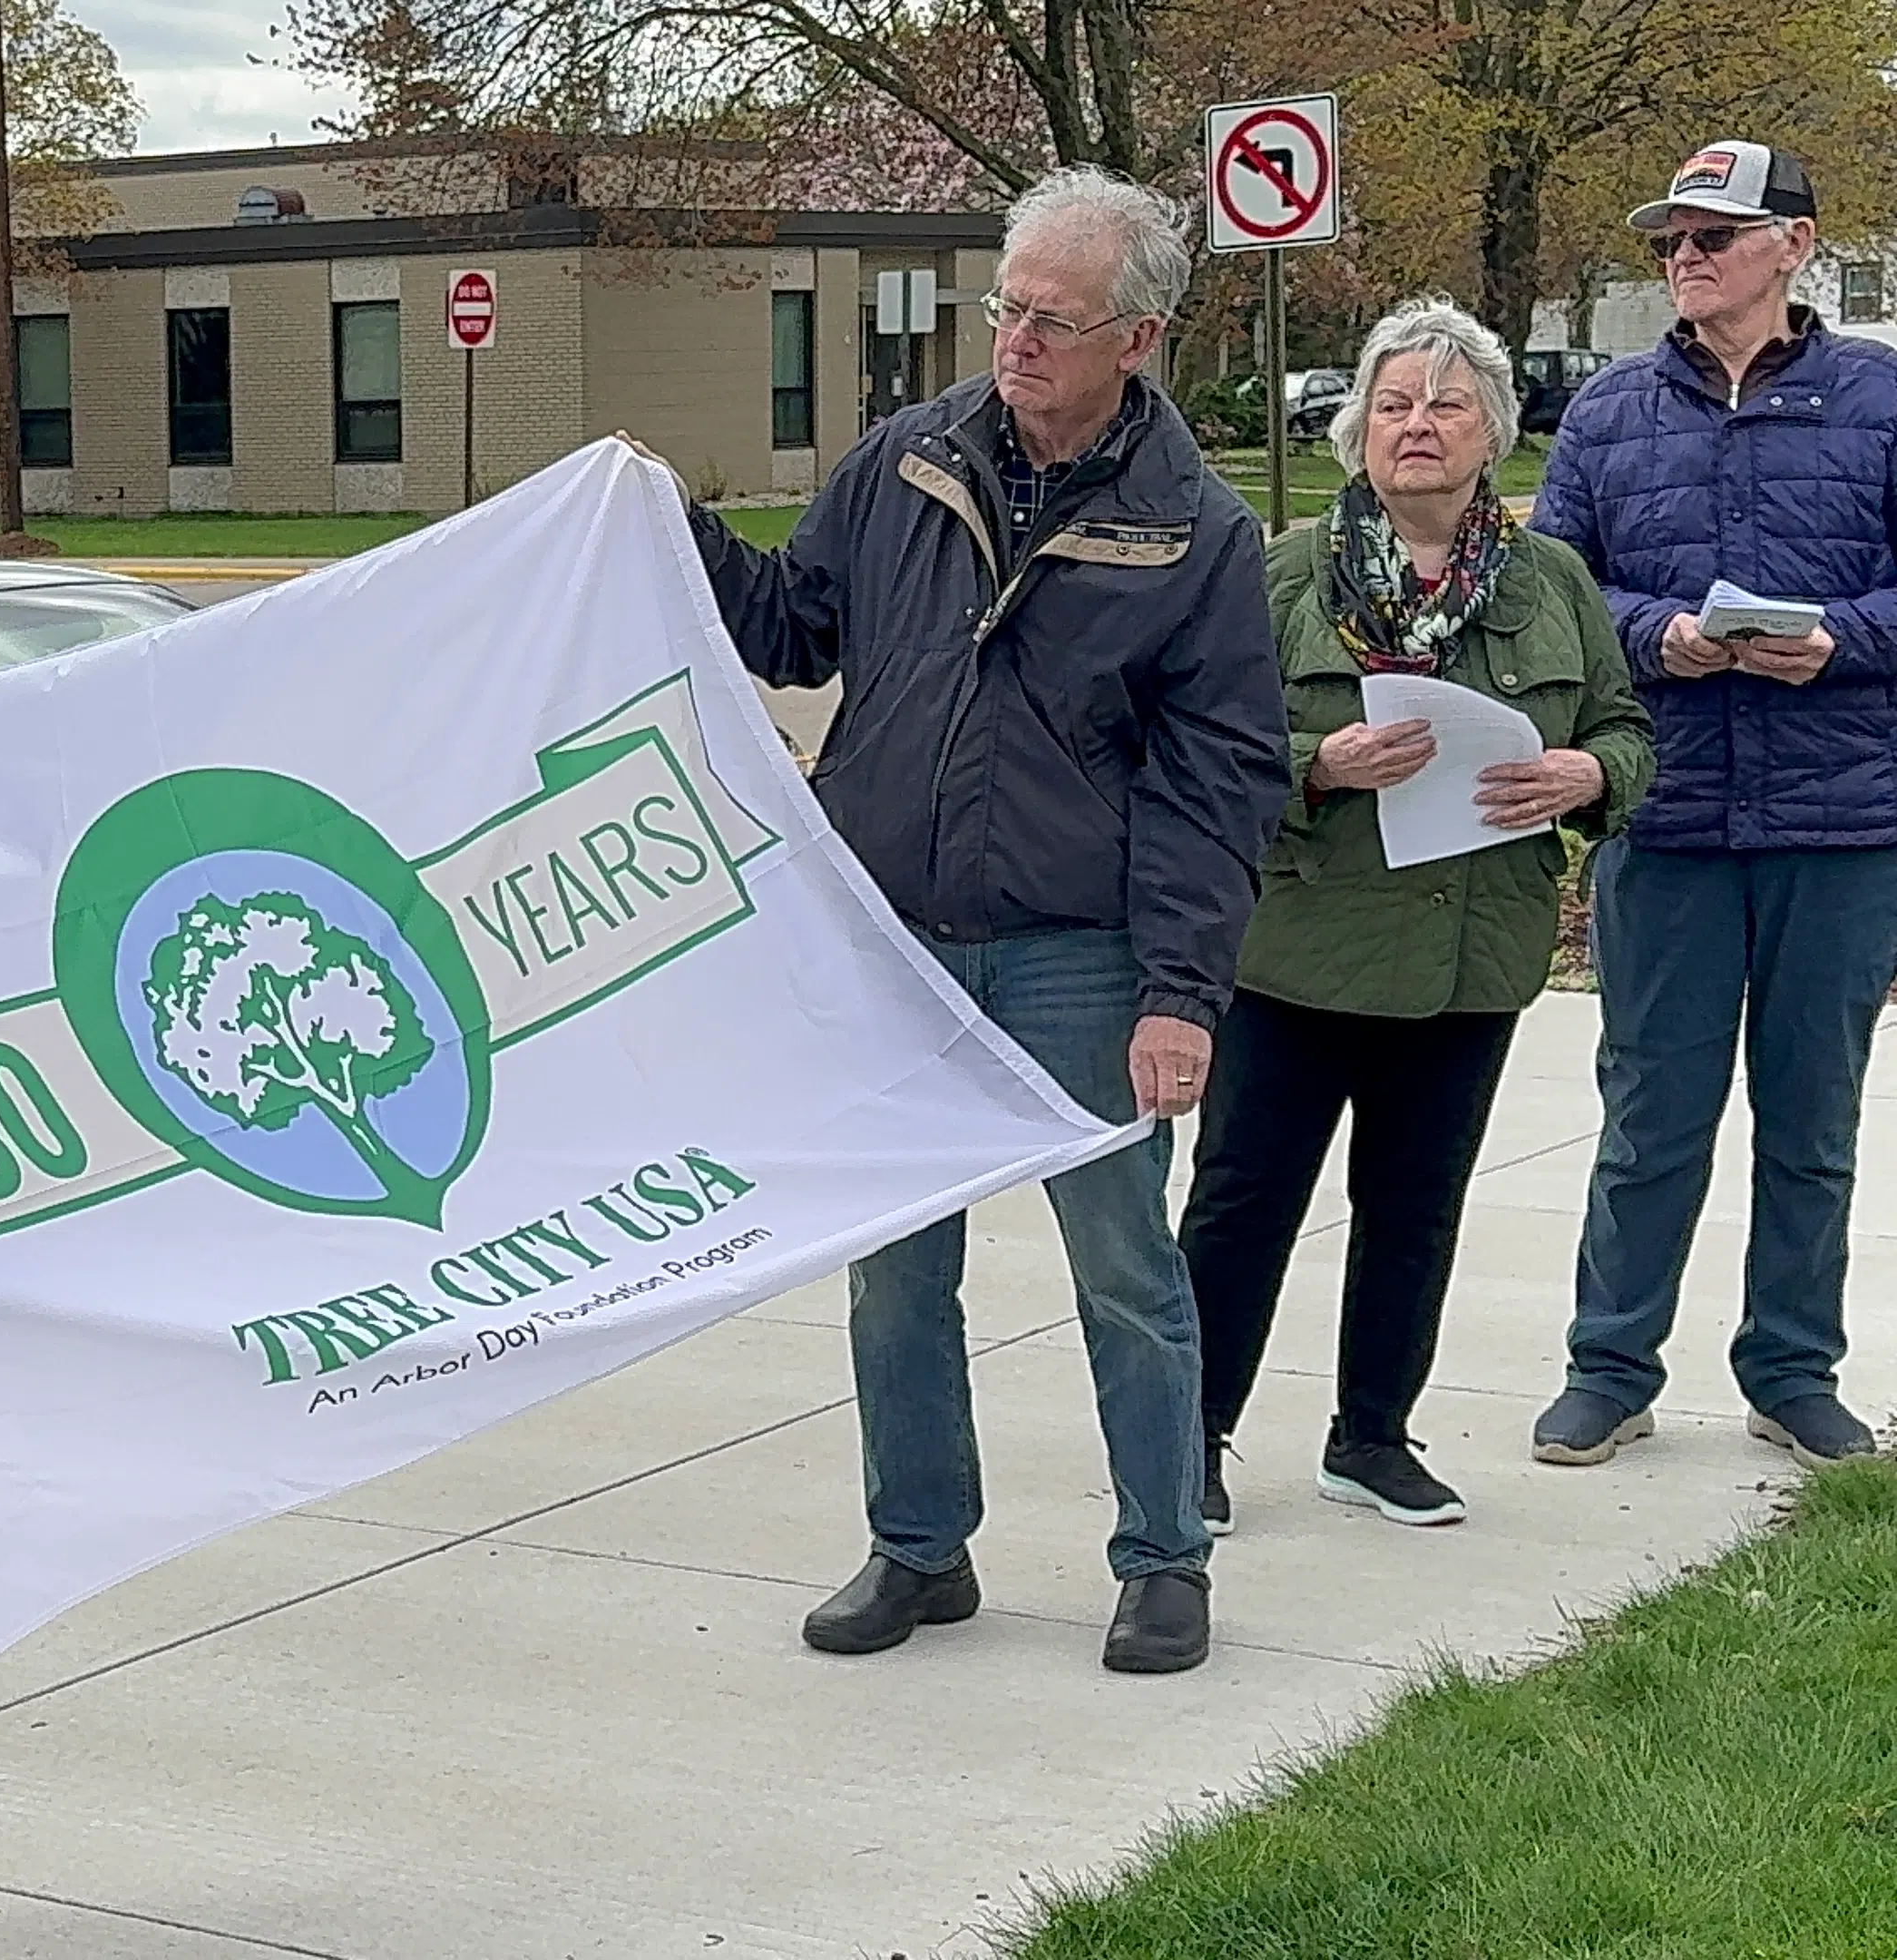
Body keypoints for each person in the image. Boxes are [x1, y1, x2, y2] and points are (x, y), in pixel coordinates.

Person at [684, 167, 1289, 1674]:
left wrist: (1180, 994)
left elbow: (1223, 781)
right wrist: (677, 527)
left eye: (1053, 319)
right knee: (896, 1271)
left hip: (1081, 961)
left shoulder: (1191, 532)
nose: (1014, 338)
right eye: (1004, 304)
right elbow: (791, 626)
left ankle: (1163, 1558)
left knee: (1123, 1272)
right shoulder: (905, 460)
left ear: (1136, 338)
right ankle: (918, 1548)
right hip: (893, 943)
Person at [1178, 299, 1656, 1534]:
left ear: (1491, 430)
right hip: (1298, 953)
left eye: (1445, 404)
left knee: (1416, 1209)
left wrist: (1588, 776)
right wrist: (1320, 760)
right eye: (1393, 404)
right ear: (1357, 431)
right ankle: (1189, 1437)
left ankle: (1373, 1436)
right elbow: (1201, 747)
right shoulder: (1285, 573)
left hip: (1468, 960)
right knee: (1242, 1205)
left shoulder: (1550, 580)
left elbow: (1625, 730)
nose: (1417, 426)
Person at [1528, 140, 1897, 1471]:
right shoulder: (1610, 412)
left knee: (1814, 1122)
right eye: (1671, 241)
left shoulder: (1882, 398)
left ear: (1795, 248)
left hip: (1840, 825)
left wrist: (1843, 640)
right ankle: (1608, 1366)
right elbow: (1550, 595)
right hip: (1669, 818)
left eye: (1713, 237)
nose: (1685, 259)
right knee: (1649, 1117)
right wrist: (1655, 632)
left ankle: (1793, 1371)